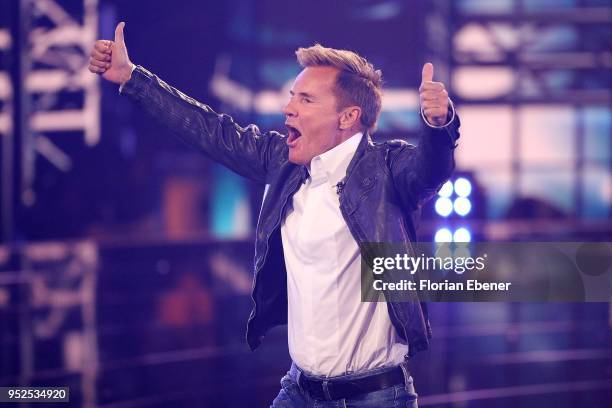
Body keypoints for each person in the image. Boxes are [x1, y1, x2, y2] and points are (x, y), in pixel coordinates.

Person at [89, 21, 460, 407]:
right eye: (291, 96)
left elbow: (430, 169)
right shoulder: (282, 161)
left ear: (348, 117)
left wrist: (438, 125)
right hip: (299, 391)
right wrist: (131, 78)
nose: (289, 108)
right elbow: (209, 131)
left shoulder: (387, 168)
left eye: (305, 100)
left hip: (376, 396)